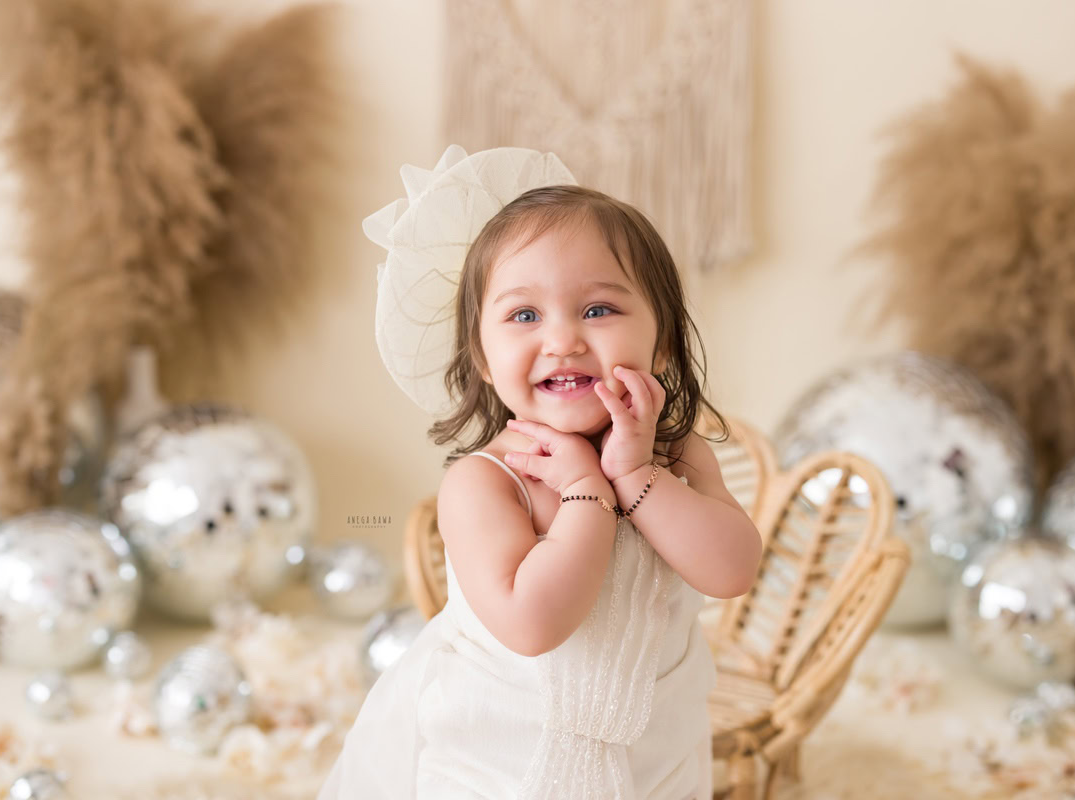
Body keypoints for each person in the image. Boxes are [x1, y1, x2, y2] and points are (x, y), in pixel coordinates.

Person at [318, 146, 761, 800]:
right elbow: (533, 623)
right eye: (525, 315)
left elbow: (733, 570)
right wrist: (587, 493)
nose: (563, 340)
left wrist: (637, 475)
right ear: (484, 359)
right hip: (504, 765)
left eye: (598, 310)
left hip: (653, 763)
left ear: (662, 341)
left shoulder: (675, 456)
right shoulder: (487, 481)